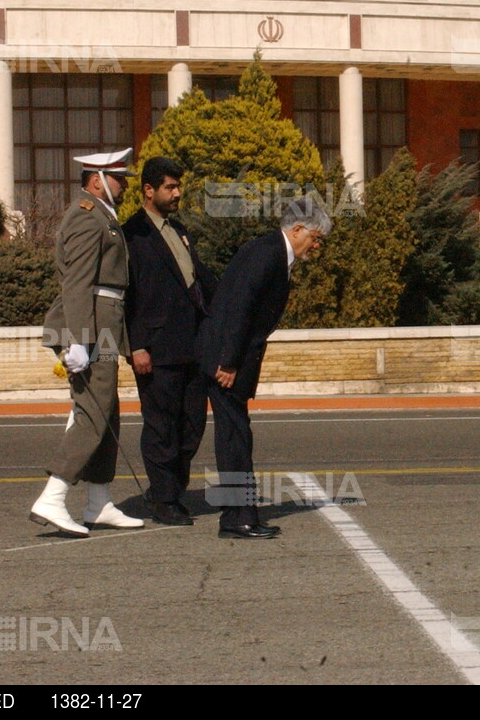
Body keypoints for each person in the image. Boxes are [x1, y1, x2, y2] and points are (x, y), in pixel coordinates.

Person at [197, 196, 332, 539]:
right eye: (315, 237)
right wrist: (228, 362)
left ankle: (245, 513)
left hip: (236, 357)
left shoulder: (275, 254)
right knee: (233, 438)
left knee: (238, 436)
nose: (316, 245)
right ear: (298, 229)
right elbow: (239, 308)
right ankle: (235, 519)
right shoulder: (267, 253)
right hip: (227, 360)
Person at [29, 148, 144, 537]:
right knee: (93, 412)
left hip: (104, 324)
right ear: (96, 179)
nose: (124, 184)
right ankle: (53, 496)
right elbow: (76, 283)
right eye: (118, 178)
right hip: (92, 326)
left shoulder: (103, 217)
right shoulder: (85, 215)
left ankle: (98, 501)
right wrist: (77, 341)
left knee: (106, 410)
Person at [123, 156, 217, 527]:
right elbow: (126, 295)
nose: (177, 193)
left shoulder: (178, 229)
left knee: (191, 425)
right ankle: (164, 499)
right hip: (156, 349)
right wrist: (136, 345)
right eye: (170, 187)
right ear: (149, 190)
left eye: (179, 186)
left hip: (192, 346)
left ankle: (171, 488)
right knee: (162, 426)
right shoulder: (132, 235)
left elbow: (198, 281)